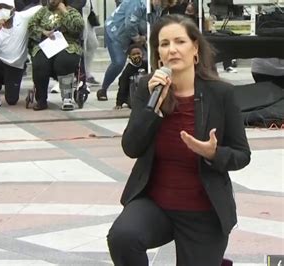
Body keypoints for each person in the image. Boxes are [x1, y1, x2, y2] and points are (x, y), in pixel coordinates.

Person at [107, 14, 251, 266]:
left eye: (179, 42)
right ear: (158, 53)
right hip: (155, 204)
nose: (172, 49)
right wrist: (153, 109)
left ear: (195, 47)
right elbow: (131, 147)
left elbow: (242, 154)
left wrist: (212, 153)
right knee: (123, 237)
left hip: (203, 211)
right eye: (164, 44)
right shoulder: (147, 88)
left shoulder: (221, 94)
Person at [0, 0, 42, 108]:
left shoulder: (23, 18)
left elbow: (40, 8)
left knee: (12, 100)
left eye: (6, 7)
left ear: (13, 10)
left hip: (15, 66)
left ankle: (6, 84)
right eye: (0, 7)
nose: (3, 10)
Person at [27, 0, 84, 111]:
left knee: (64, 61)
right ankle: (41, 100)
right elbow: (31, 26)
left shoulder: (72, 12)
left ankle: (67, 98)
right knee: (39, 63)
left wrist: (64, 11)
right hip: (46, 43)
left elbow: (78, 27)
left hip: (68, 43)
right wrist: (43, 32)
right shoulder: (43, 12)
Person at [97, 0, 147, 101]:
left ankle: (143, 90)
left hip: (139, 32)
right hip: (116, 31)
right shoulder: (137, 3)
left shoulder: (159, 6)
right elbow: (130, 24)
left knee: (146, 60)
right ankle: (103, 89)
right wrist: (138, 38)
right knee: (118, 62)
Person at [114, 43, 147, 109]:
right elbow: (122, 87)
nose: (136, 56)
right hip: (132, 93)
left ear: (142, 54)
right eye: (133, 55)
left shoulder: (147, 65)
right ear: (129, 56)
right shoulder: (128, 70)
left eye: (138, 53)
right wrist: (119, 103)